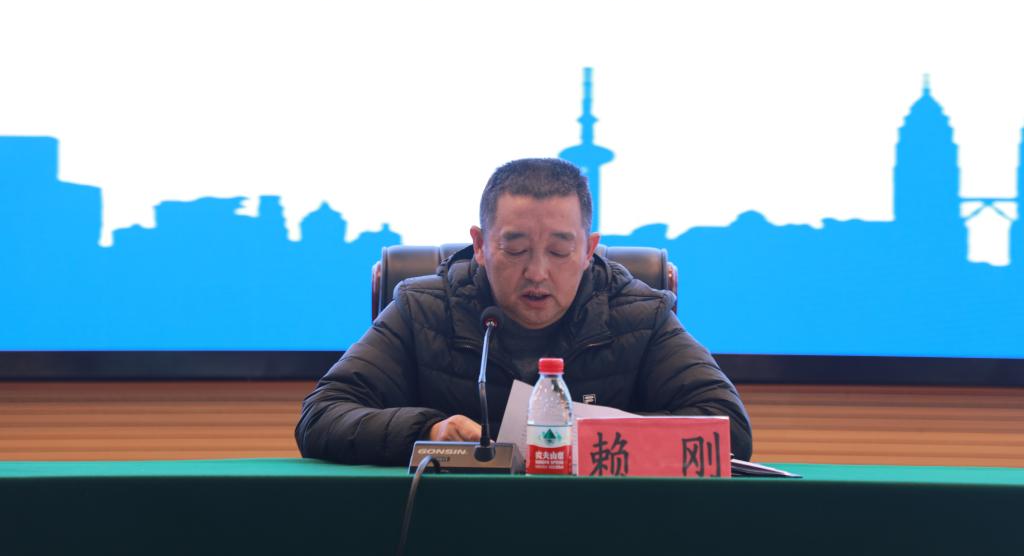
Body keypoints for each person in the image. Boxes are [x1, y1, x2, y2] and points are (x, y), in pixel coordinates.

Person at [295, 158, 752, 465]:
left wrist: (583, 439)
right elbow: (321, 416)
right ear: (479, 246)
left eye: (559, 251)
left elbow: (728, 430)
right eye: (514, 250)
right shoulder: (424, 309)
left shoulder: (640, 315)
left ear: (588, 250)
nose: (537, 272)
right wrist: (428, 430)